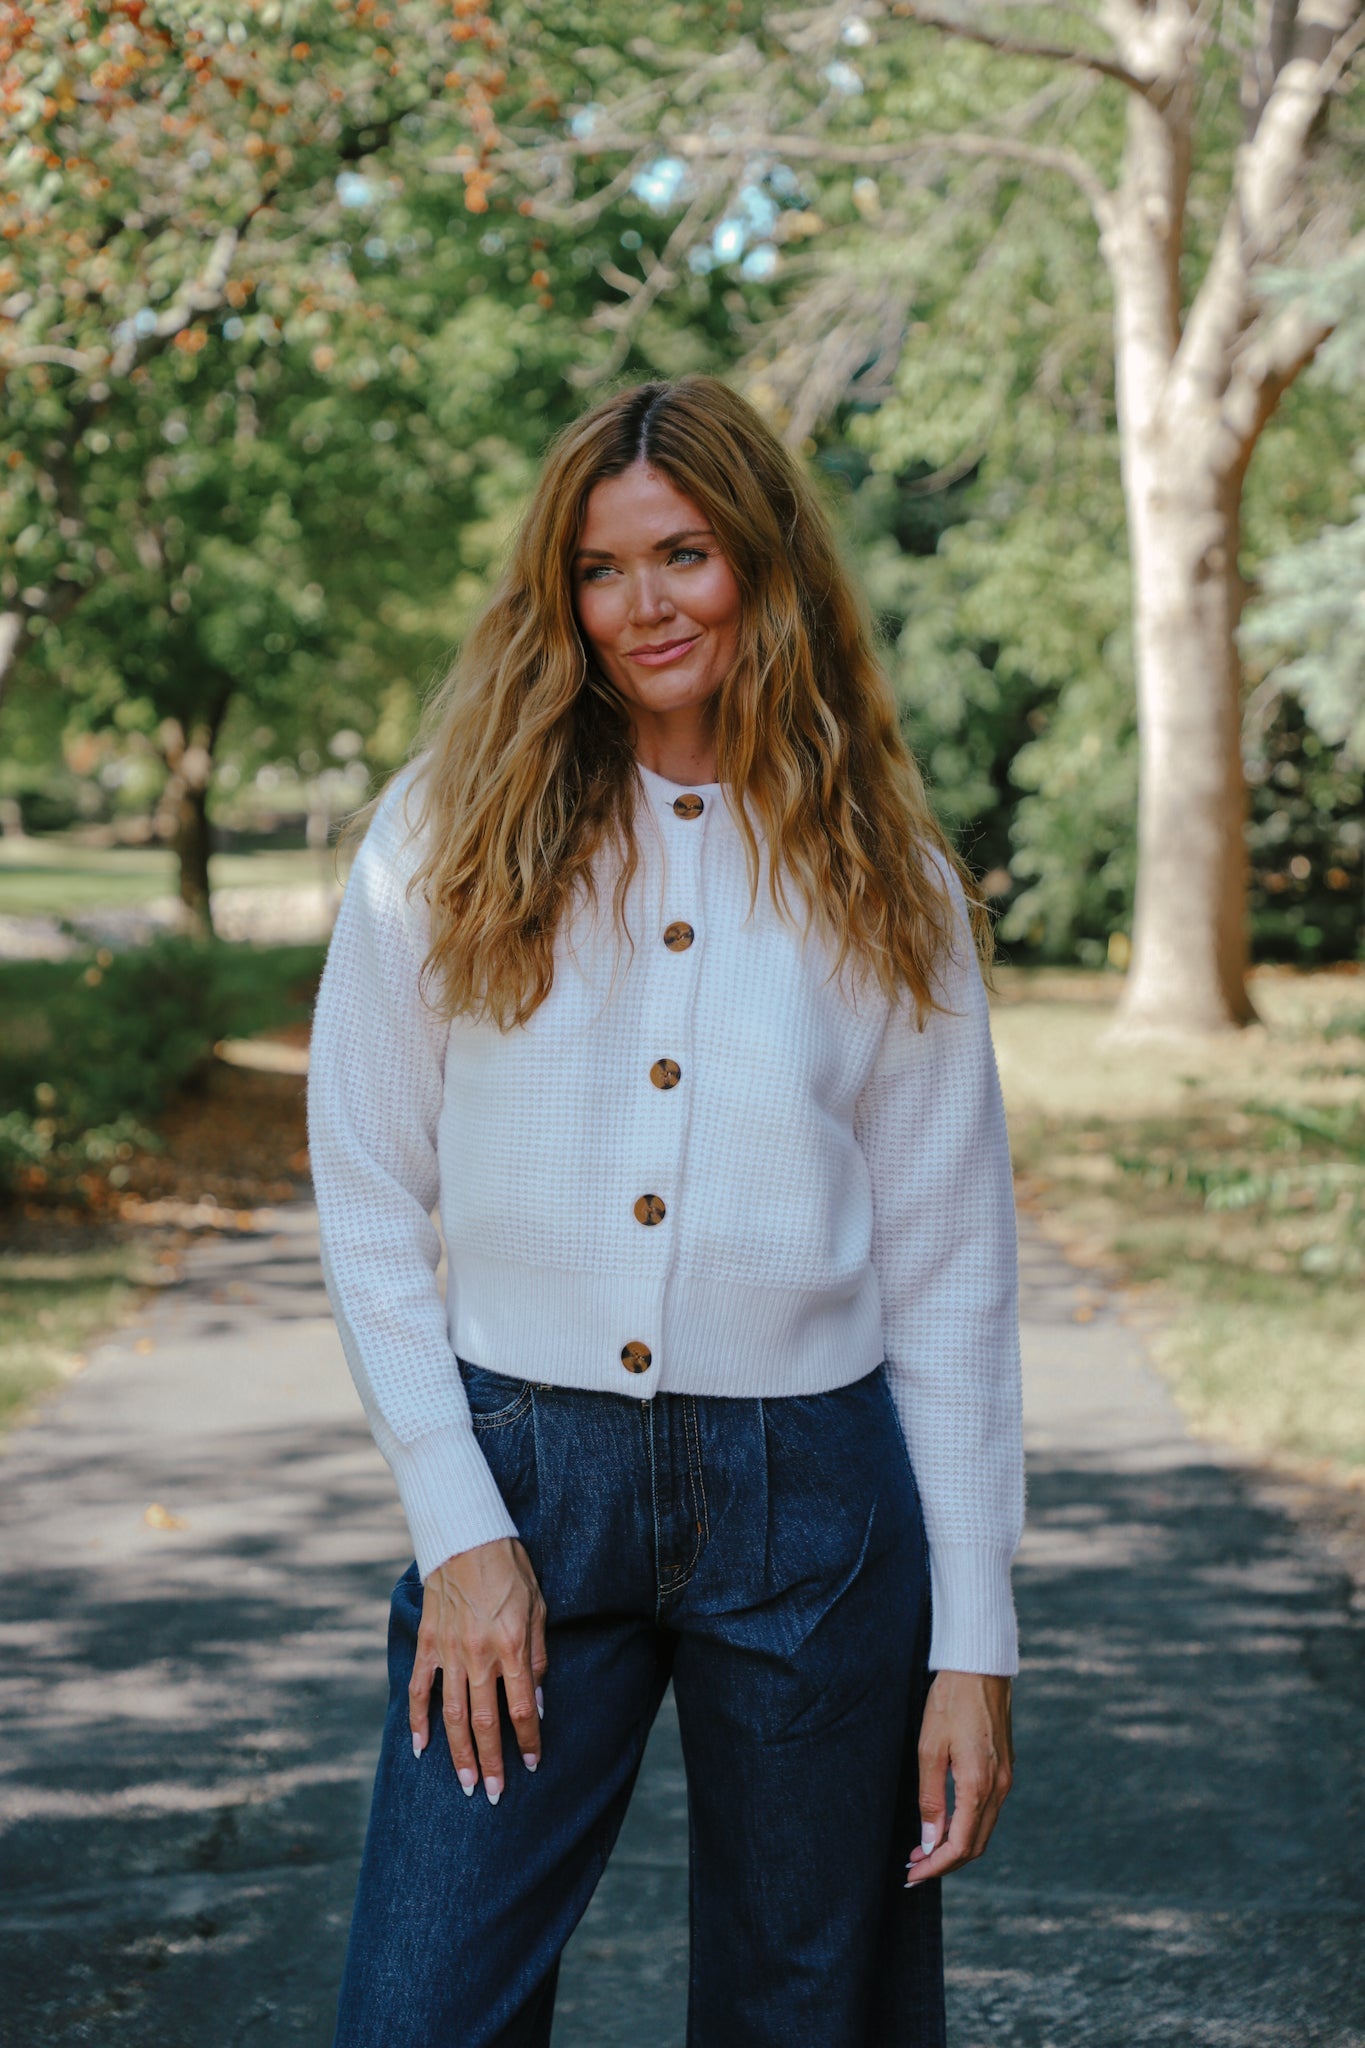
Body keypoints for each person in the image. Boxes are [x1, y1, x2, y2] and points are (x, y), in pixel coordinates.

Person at [307, 374, 1023, 2048]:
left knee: (810, 2010)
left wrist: (972, 1644)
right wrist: (459, 1529)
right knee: (421, 2009)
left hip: (817, 1513)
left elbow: (950, 1271)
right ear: (558, 595)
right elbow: (359, 1192)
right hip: (525, 1484)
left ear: (761, 564)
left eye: (683, 554)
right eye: (601, 569)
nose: (644, 607)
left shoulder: (883, 873)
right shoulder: (447, 829)